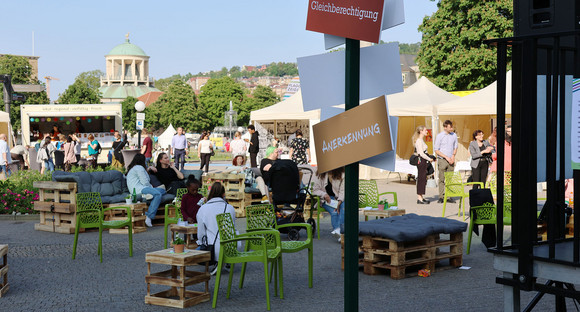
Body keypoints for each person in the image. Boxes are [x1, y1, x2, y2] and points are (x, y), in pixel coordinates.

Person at [196, 181, 236, 275]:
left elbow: (201, 234)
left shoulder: (203, 209)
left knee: (197, 250)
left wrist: (201, 243)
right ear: (223, 194)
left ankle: (217, 261)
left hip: (213, 248)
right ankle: (225, 261)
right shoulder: (230, 208)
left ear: (210, 194)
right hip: (231, 245)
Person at [126, 153, 167, 227]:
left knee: (163, 190)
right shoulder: (139, 168)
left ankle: (149, 195)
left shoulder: (135, 168)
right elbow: (144, 182)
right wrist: (151, 188)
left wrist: (148, 169)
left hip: (139, 189)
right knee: (158, 194)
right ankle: (149, 216)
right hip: (140, 189)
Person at [312, 167, 345, 242]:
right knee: (335, 211)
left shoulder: (342, 174)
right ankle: (340, 233)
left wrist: (339, 201)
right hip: (324, 199)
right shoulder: (320, 174)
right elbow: (314, 190)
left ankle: (340, 232)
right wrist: (324, 195)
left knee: (343, 208)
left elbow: (343, 190)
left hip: (339, 198)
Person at [434, 120, 458, 203]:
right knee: (441, 178)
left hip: (451, 159)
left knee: (450, 179)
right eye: (450, 127)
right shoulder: (440, 136)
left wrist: (453, 156)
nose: (451, 128)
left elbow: (455, 147)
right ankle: (441, 196)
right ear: (445, 127)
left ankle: (449, 196)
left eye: (452, 127)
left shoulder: (454, 135)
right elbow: (436, 150)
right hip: (442, 159)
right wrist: (446, 157)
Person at [413, 126, 435, 204]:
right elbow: (421, 153)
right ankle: (419, 198)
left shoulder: (421, 140)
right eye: (425, 130)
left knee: (423, 179)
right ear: (421, 131)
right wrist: (429, 159)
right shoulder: (419, 141)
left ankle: (421, 197)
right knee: (421, 179)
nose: (427, 131)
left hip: (423, 160)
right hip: (421, 160)